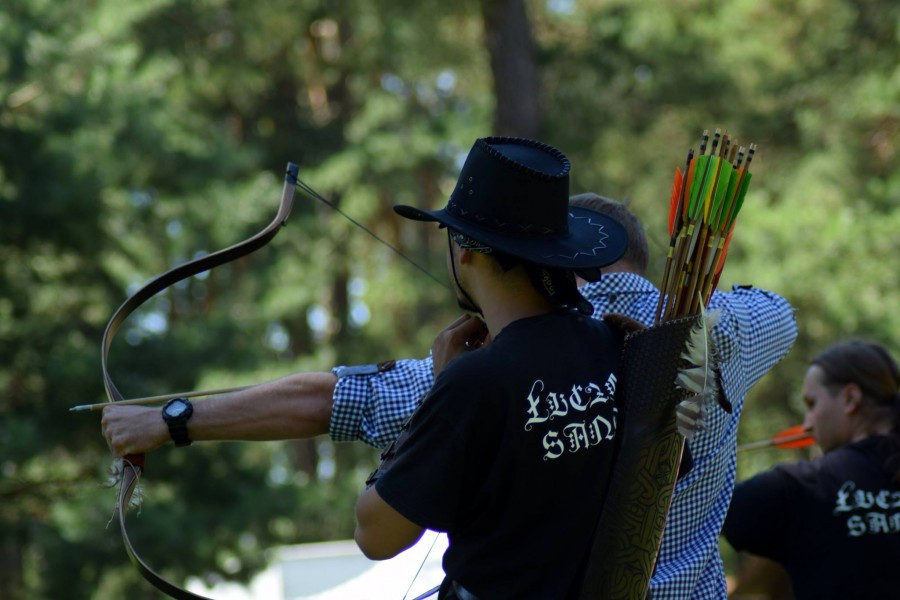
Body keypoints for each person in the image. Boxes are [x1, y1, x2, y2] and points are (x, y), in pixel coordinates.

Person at [102, 186, 797, 598]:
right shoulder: (718, 333)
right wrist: (701, 326)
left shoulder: (489, 370)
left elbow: (334, 400)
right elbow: (781, 313)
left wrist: (172, 418)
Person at [355, 136, 635, 598]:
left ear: (465, 250)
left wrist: (437, 394)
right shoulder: (619, 346)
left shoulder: (473, 381)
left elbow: (375, 535)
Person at [722, 340, 900, 599]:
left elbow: (712, 508)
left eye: (812, 404)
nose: (807, 424)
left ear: (850, 398)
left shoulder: (801, 486)